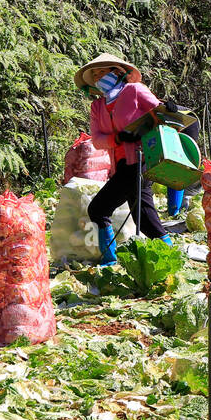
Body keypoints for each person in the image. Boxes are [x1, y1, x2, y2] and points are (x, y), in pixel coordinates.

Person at [75, 53, 170, 265]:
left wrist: (168, 108)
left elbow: (159, 111)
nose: (99, 78)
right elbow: (98, 140)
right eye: (96, 75)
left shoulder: (134, 90)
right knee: (144, 218)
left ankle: (109, 262)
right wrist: (118, 137)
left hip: (141, 160)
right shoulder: (97, 107)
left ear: (117, 72)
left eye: (103, 72)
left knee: (98, 209)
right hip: (120, 165)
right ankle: (171, 257)